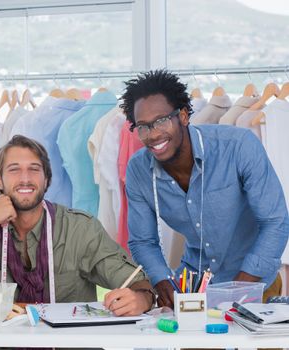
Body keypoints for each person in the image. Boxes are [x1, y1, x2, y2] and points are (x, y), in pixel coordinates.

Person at [120, 69, 289, 308]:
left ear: (184, 116)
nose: (153, 134)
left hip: (254, 281)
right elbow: (143, 241)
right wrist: (162, 280)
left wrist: (241, 288)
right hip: (194, 287)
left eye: (161, 121)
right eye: (143, 127)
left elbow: (275, 221)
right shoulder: (139, 170)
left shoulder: (238, 146)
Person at [0, 135, 154, 316]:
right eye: (14, 169)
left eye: (34, 169)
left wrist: (140, 299)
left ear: (46, 179)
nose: (25, 178)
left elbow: (139, 284)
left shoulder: (79, 229)